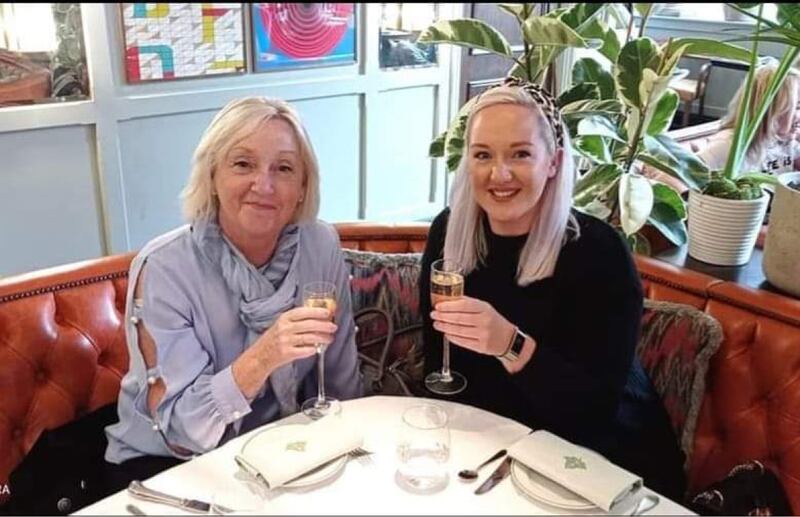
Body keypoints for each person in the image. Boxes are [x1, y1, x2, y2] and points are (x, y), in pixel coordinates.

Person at [420, 77, 687, 500]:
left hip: (601, 461)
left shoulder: (599, 252)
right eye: (483, 154)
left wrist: (510, 345)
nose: (499, 173)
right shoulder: (449, 233)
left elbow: (594, 413)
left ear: (554, 162)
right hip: (493, 454)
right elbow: (442, 367)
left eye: (521, 154)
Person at [104, 97, 363, 489]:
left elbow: (340, 379)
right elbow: (181, 431)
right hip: (167, 470)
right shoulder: (164, 269)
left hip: (280, 456)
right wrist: (263, 357)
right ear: (212, 175)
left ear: (302, 186)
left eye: (284, 168)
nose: (264, 185)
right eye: (243, 164)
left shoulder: (320, 243)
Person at [697, 62, 800, 176]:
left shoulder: (785, 143)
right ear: (770, 110)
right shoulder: (728, 146)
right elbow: (682, 174)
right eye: (797, 107)